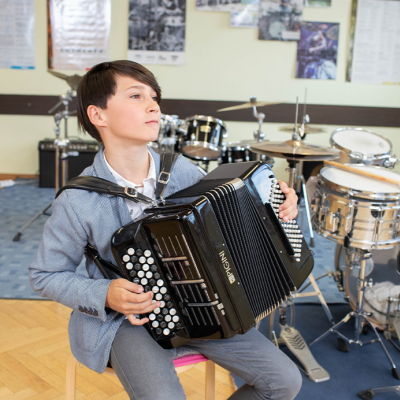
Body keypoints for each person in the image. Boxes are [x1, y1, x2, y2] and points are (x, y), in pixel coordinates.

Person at [29, 60, 302, 400]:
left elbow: (230, 223)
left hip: (203, 307)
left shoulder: (182, 170)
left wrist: (276, 208)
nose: (153, 105)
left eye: (155, 96)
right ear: (98, 115)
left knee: (285, 382)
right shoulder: (79, 199)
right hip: (129, 321)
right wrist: (105, 294)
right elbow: (45, 275)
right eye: (135, 95)